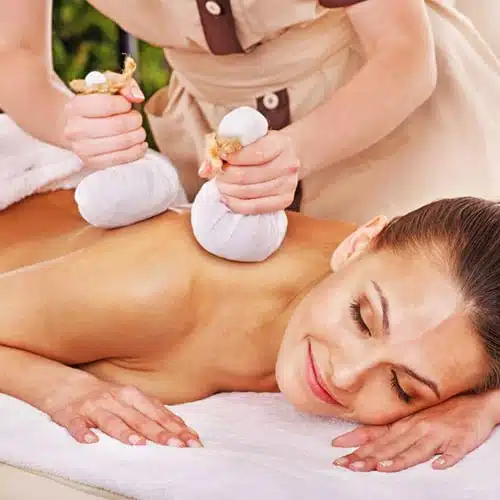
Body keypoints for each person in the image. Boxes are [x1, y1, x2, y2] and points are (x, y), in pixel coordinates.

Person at [1, 190, 500, 474]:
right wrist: (63, 389)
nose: (346, 375)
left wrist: (483, 405)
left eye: (403, 387)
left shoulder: (422, 291)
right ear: (358, 243)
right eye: (361, 319)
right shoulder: (155, 287)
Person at [1, 0, 500, 225]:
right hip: (212, 140)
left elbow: (402, 53)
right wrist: (66, 119)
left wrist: (298, 151)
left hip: (385, 122)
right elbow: (14, 55)